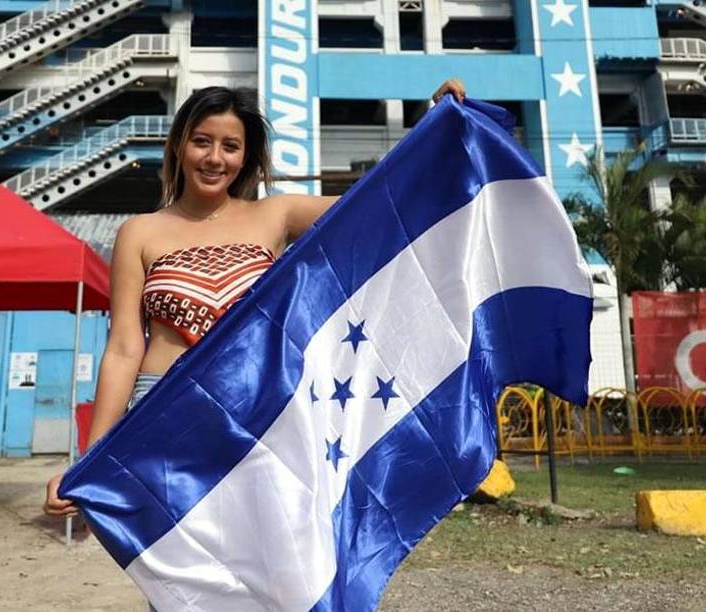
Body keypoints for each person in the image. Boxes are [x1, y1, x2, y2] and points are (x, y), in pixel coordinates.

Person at [44, 80, 468, 519]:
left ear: (245, 156)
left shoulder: (274, 214)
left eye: (230, 146)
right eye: (201, 141)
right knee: (176, 572)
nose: (214, 158)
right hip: (162, 415)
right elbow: (124, 349)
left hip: (257, 413)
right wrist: (90, 462)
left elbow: (377, 205)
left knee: (263, 565)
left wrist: (432, 134)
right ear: (178, 146)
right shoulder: (138, 231)